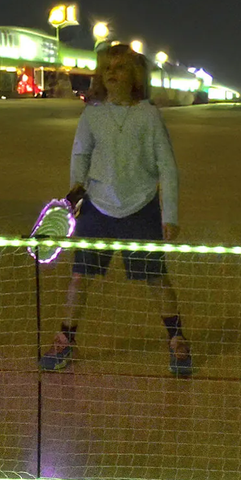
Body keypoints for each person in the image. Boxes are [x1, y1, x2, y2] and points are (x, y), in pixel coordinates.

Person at [39, 43, 192, 378]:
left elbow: (167, 166)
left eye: (119, 67)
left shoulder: (148, 114)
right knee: (80, 277)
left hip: (141, 206)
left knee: (156, 278)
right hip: (97, 206)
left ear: (133, 75)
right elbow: (80, 155)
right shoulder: (92, 114)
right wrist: (75, 196)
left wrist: (170, 215)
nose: (111, 73)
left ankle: (177, 339)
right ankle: (66, 339)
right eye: (107, 67)